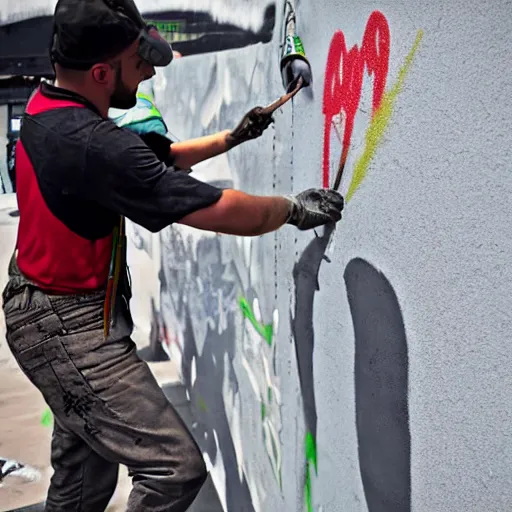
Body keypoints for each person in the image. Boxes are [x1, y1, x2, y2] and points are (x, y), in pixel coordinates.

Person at [1, 0, 344, 511]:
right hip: (65, 329)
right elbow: (219, 209)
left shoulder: (51, 109)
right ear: (101, 71)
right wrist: (293, 209)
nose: (148, 70)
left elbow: (151, 161)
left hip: (47, 311)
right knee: (173, 468)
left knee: (82, 480)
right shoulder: (92, 144)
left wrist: (232, 137)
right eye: (139, 63)